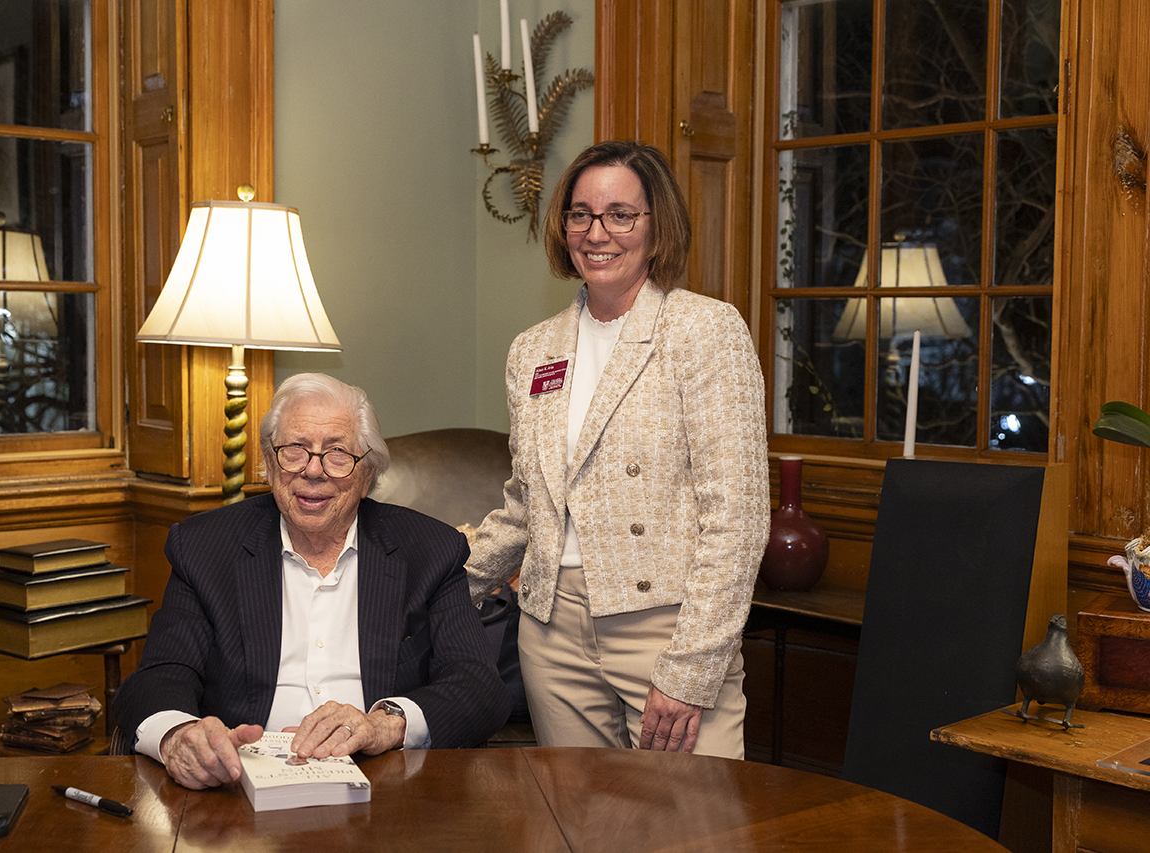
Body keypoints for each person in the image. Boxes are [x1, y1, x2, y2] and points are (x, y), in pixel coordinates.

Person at [465, 140, 769, 758]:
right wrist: (430, 580)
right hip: (550, 635)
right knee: (581, 830)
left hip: (664, 629)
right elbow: (527, 507)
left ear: (658, 229)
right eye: (581, 214)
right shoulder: (533, 349)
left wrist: (692, 669)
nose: (597, 232)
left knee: (691, 830)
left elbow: (736, 521)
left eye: (621, 214)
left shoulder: (705, 331)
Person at [113, 373, 511, 789]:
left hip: (384, 787)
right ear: (269, 462)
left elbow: (479, 687)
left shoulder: (428, 550)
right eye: (294, 451)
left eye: (338, 453)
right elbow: (162, 674)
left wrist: (385, 725)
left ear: (368, 473)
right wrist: (179, 737)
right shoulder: (205, 548)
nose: (313, 471)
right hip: (238, 785)